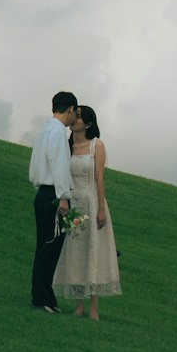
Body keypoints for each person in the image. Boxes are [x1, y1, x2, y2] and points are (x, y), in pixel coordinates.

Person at [53, 104, 122, 321]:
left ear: (89, 123)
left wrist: (101, 209)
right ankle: (78, 305)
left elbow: (99, 178)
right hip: (74, 205)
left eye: (80, 118)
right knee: (75, 250)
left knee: (93, 249)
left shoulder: (96, 146)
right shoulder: (68, 146)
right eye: (75, 116)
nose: (75, 120)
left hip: (92, 202)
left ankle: (93, 308)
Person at [28, 91, 79, 312]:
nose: (74, 118)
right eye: (74, 113)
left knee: (44, 247)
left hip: (42, 193)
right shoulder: (58, 132)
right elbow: (58, 165)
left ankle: (44, 296)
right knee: (50, 248)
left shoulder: (44, 129)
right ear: (70, 109)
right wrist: (64, 198)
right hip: (54, 195)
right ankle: (41, 298)